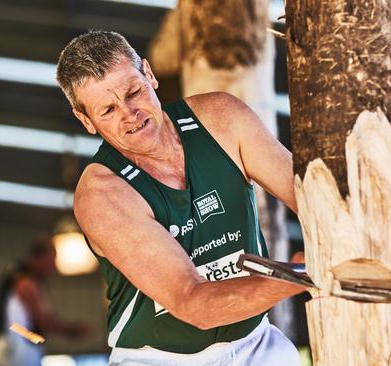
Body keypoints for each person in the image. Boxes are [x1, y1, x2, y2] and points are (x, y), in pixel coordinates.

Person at [56, 30, 305, 365]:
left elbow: (313, 203)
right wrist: (307, 275)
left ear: (149, 74)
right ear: (85, 120)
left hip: (255, 341)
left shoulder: (221, 120)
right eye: (108, 110)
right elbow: (193, 302)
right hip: (161, 359)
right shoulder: (102, 194)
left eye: (134, 91)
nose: (130, 114)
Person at [0, 236, 90, 366]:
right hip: (17, 349)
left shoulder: (16, 275)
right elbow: (43, 320)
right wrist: (72, 331)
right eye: (52, 259)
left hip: (12, 346)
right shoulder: (26, 281)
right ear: (39, 257)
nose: (54, 266)